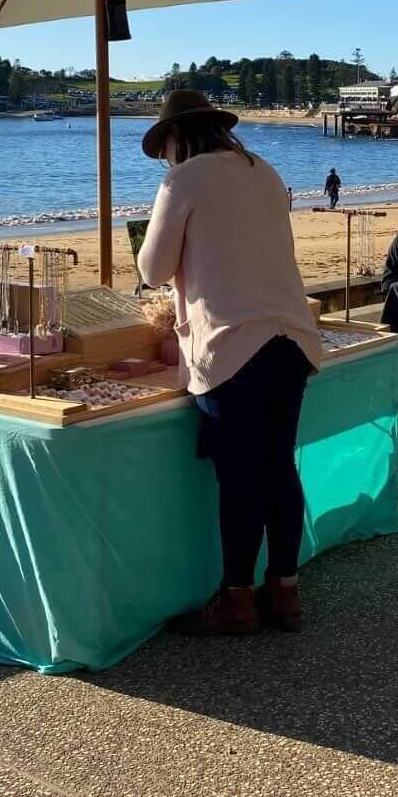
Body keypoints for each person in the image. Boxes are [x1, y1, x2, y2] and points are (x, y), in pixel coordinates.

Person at [137, 89, 322, 636]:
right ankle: (284, 590)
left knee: (241, 478)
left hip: (232, 344)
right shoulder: (262, 169)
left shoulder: (184, 178)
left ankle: (237, 597)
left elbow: (152, 268)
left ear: (176, 138)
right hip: (292, 335)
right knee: (278, 467)